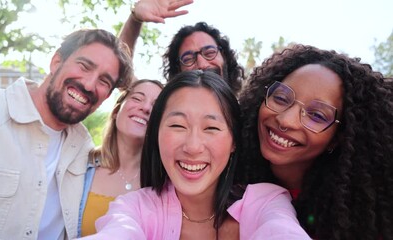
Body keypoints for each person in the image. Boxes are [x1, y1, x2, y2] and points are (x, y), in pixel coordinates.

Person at [77, 70, 310, 239]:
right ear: (156, 134)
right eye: (178, 125)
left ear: (233, 142)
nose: (193, 146)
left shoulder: (266, 203)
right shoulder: (134, 208)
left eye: (211, 128)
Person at [0, 29, 133, 239]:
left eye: (104, 81)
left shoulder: (85, 151)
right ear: (56, 62)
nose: (90, 85)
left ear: (107, 97)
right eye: (84, 66)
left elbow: (136, 96)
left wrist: (136, 20)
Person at [238, 44, 393, 239]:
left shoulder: (358, 219)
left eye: (317, 115)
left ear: (337, 138)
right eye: (281, 98)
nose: (286, 120)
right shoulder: (223, 175)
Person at [77, 79, 163, 236]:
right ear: (116, 111)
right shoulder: (78, 166)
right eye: (137, 98)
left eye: (156, 106)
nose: (145, 108)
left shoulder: (164, 183)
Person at [119, 0, 245, 95]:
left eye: (210, 52)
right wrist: (135, 18)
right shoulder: (163, 109)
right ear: (178, 70)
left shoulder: (249, 120)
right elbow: (122, 75)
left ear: (224, 57)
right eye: (188, 58)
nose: (201, 64)